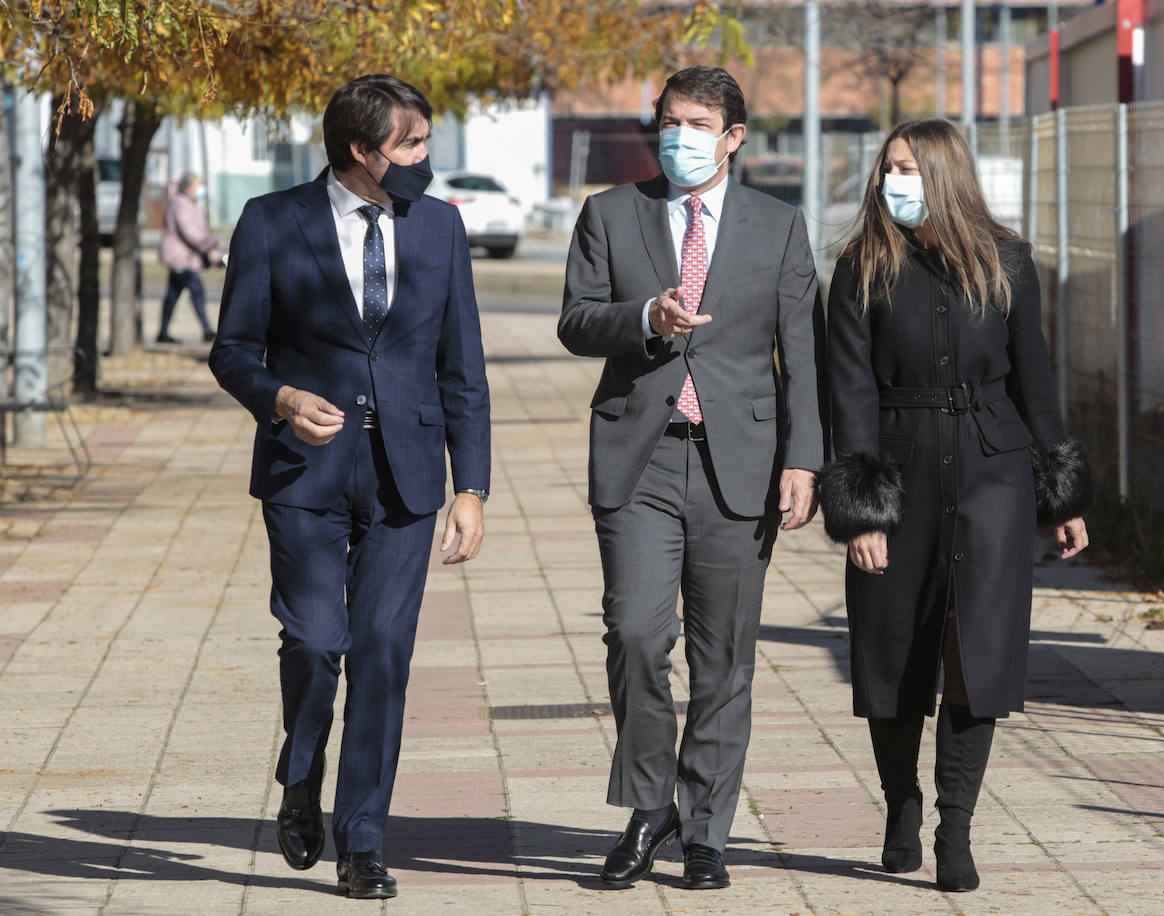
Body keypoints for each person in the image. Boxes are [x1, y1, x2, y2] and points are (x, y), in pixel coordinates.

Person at [208, 74, 491, 900]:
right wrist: (282, 400)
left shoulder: (439, 227)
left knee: (383, 657)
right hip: (306, 472)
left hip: (408, 477)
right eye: (410, 145)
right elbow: (233, 350)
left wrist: (469, 487)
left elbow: (462, 368)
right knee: (314, 642)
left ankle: (362, 838)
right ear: (362, 151)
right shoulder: (273, 222)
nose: (425, 159)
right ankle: (301, 775)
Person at [558, 65, 825, 891]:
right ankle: (649, 806)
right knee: (636, 634)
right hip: (640, 456)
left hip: (736, 465)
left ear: (734, 137)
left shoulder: (779, 226)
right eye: (670, 121)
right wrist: (644, 318)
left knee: (724, 659)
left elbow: (802, 356)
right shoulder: (609, 213)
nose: (681, 136)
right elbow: (576, 319)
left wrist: (805, 458)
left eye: (700, 123)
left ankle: (706, 825)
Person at [817, 119, 1091, 892]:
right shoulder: (861, 268)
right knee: (892, 647)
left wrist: (1059, 493)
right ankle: (900, 802)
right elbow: (849, 391)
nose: (891, 181)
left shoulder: (1007, 261)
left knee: (980, 651)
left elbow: (1033, 382)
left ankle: (955, 827)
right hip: (899, 470)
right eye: (887, 169)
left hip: (993, 471)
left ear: (944, 175)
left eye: (907, 168)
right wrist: (863, 508)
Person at [156, 172, 221, 344]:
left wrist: (214, 257)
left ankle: (162, 332)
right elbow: (190, 234)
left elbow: (200, 233)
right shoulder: (180, 204)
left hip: (187, 258)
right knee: (196, 290)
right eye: (198, 186)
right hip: (180, 258)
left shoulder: (193, 205)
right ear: (189, 187)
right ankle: (207, 330)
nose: (201, 189)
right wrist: (212, 244)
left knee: (172, 295)